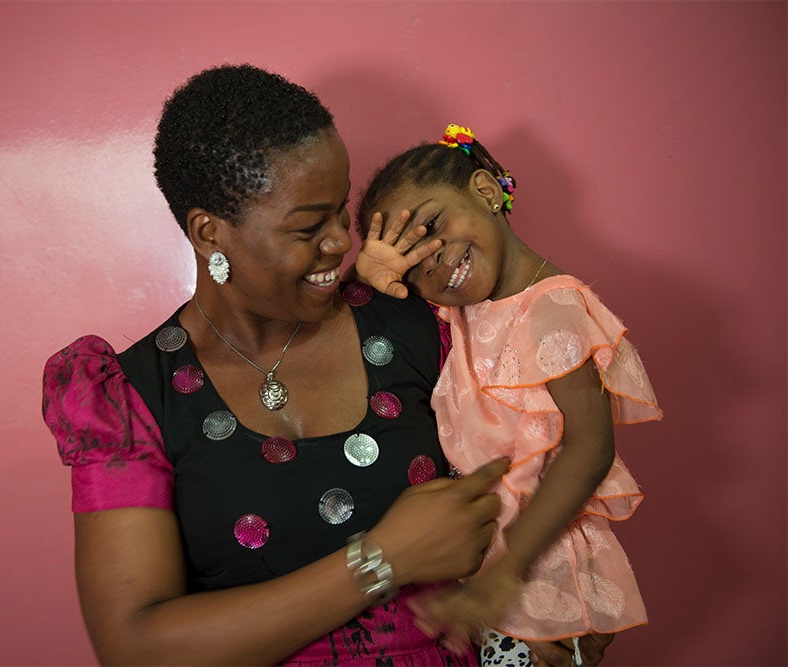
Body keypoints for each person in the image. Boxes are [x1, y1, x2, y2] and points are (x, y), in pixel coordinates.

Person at [41, 65, 511, 666]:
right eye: (309, 226)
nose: (343, 242)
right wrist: (382, 559)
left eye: (342, 211)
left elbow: (538, 467)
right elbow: (135, 647)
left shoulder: (417, 323)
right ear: (210, 233)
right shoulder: (134, 398)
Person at [354, 124, 663, 666]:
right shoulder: (463, 307)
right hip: (494, 564)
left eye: (432, 226)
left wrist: (505, 572)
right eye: (412, 260)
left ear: (486, 192)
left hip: (539, 560)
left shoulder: (553, 305)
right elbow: (390, 305)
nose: (435, 259)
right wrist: (374, 274)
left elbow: (591, 449)